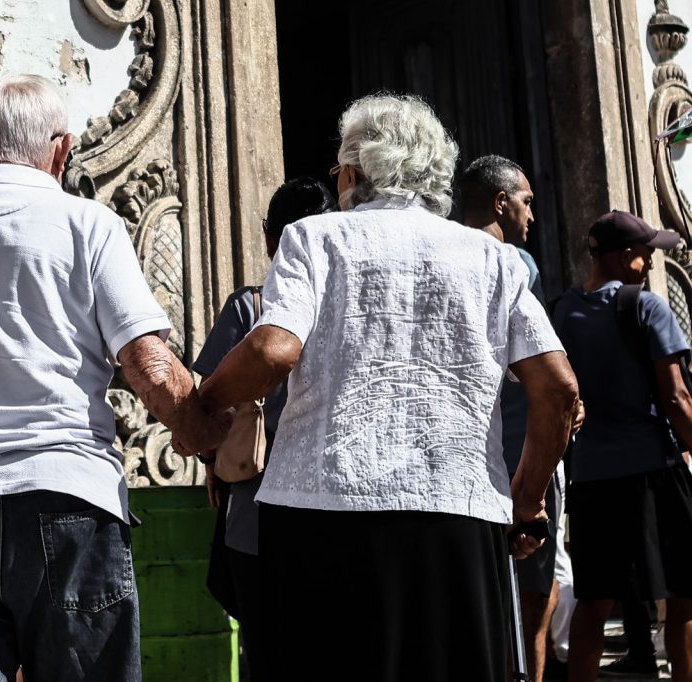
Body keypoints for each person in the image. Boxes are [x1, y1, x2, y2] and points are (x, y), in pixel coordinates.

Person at [177, 93, 580, 681]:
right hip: (459, 516)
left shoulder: (314, 238)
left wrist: (202, 407)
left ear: (352, 172)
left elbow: (272, 349)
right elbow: (559, 389)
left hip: (322, 514)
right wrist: (529, 497)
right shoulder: (493, 259)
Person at [0, 74, 226, 682]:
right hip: (68, 501)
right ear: (62, 149)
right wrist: (207, 437)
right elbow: (149, 365)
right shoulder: (90, 224)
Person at [196, 176, 336, 679]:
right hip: (337, 513)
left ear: (271, 240)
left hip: (256, 512)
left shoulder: (249, 308)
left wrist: (212, 462)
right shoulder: (350, 312)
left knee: (267, 652)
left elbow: (209, 406)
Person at [550, 211, 692, 682]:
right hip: (654, 470)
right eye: (645, 253)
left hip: (592, 477)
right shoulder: (648, 308)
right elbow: (677, 397)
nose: (650, 262)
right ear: (623, 256)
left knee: (594, 601)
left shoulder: (559, 313)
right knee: (684, 595)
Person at [462, 154, 560, 682]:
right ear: (501, 203)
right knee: (533, 592)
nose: (532, 215)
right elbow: (550, 378)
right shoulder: (515, 264)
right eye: (526, 201)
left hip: (463, 465)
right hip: (519, 449)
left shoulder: (440, 252)